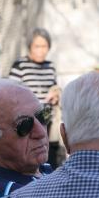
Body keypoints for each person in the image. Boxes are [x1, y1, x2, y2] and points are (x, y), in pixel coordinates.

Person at [9, 28, 64, 167]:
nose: (41, 50)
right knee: (29, 156)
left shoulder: (50, 67)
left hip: (46, 118)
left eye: (44, 46)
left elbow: (53, 87)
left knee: (48, 156)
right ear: (30, 47)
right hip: (26, 120)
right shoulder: (20, 65)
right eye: (37, 46)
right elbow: (11, 93)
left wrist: (55, 95)